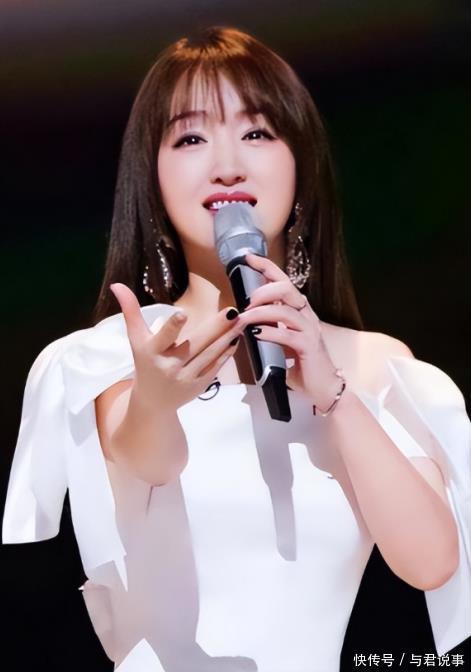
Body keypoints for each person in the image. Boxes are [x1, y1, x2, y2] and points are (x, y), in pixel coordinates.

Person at [3, 26, 470, 672]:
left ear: (300, 165)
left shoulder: (373, 363)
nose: (227, 164)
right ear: (153, 179)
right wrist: (157, 399)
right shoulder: (115, 356)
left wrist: (334, 393)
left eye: (257, 133)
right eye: (190, 138)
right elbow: (150, 456)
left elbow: (430, 562)